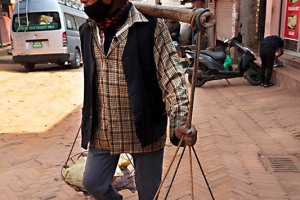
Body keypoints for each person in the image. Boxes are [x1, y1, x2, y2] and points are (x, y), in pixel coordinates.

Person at [79, 0, 198, 199]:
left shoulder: (151, 27)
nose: (83, 0)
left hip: (145, 129)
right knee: (93, 184)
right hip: (103, 128)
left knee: (149, 193)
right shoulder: (87, 30)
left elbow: (172, 76)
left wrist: (180, 121)